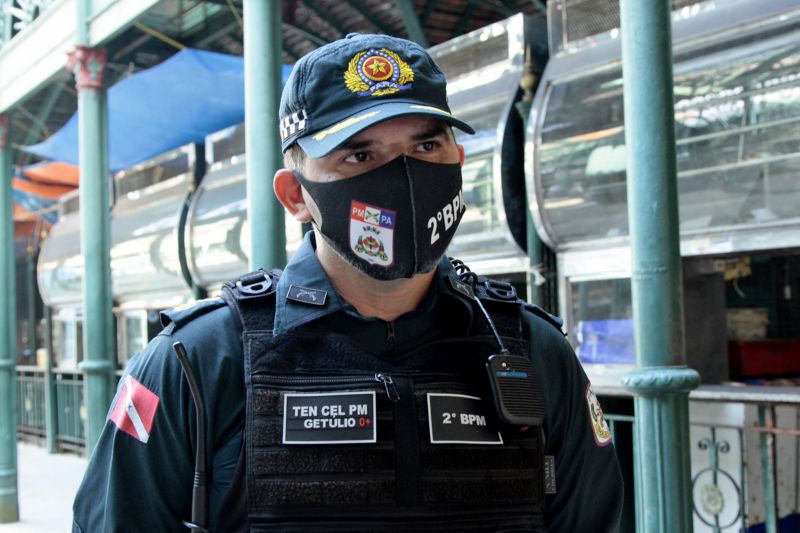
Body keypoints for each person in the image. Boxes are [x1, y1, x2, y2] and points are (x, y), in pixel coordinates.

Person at [73, 33, 623, 532]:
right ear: (296, 196)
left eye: (426, 147)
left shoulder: (532, 352)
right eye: (360, 156)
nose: (404, 177)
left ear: (458, 158)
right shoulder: (194, 362)